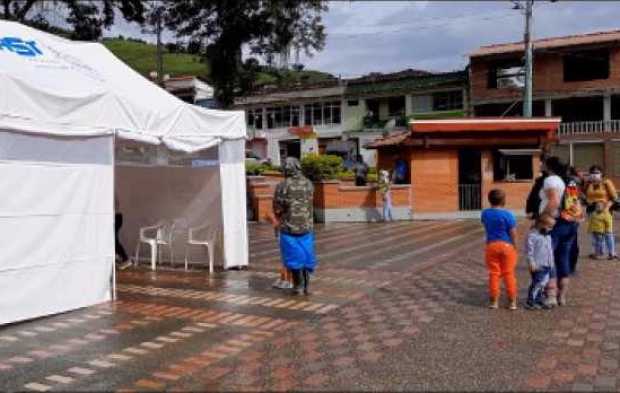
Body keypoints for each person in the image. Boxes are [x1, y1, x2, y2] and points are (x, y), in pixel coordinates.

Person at [272, 157, 316, 295]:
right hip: (307, 227)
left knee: (293, 257)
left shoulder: (282, 186)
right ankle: (306, 286)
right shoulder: (309, 183)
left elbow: (277, 209)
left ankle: (298, 286)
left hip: (288, 228)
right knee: (306, 255)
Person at [540, 156, 580, 307]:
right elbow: (574, 202)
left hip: (555, 224)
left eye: (543, 163)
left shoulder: (551, 180)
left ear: (549, 166)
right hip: (570, 223)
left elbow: (554, 201)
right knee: (563, 258)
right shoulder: (570, 180)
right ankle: (562, 296)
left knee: (548, 258)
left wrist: (541, 220)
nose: (540, 164)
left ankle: (550, 295)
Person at [481, 189, 518, 310]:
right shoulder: (508, 215)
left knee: (494, 273)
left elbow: (486, 224)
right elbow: (513, 233)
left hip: (491, 245)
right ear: (504, 200)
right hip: (506, 245)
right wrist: (515, 245)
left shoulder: (485, 213)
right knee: (508, 273)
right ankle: (512, 301)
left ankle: (494, 301)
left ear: (489, 200)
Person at [585, 165, 618, 259]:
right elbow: (585, 195)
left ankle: (612, 253)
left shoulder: (606, 183)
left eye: (597, 172)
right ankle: (598, 251)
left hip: (605, 211)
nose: (594, 175)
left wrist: (606, 207)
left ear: (601, 173)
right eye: (592, 172)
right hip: (592, 211)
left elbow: (614, 198)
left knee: (608, 232)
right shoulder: (588, 184)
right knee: (596, 233)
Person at [524, 213, 556, 310]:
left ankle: (538, 299)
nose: (551, 229)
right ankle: (530, 301)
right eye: (549, 227)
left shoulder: (548, 236)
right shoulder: (532, 236)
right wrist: (532, 263)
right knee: (537, 283)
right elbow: (529, 252)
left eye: (552, 227)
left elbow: (550, 251)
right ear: (541, 224)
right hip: (538, 265)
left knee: (543, 283)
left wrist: (552, 263)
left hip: (547, 265)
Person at [114, 195, 132, 270]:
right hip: (116, 216)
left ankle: (125, 259)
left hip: (115, 216)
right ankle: (122, 258)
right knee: (113, 240)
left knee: (113, 241)